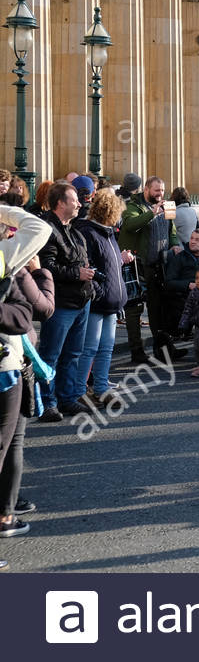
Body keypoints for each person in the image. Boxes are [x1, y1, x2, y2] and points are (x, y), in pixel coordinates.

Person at [0, 204, 54, 541]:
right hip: (7, 364)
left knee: (13, 442)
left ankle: (6, 512)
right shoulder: (10, 260)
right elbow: (38, 310)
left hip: (13, 361)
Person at [36, 182, 96, 421]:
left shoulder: (74, 230)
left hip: (81, 301)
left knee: (73, 353)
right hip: (60, 303)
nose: (80, 203)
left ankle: (67, 398)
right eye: (75, 200)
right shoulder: (47, 229)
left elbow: (82, 261)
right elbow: (46, 267)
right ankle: (47, 403)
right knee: (51, 354)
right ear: (61, 203)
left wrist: (88, 279)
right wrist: (77, 274)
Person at [72, 189, 130, 410]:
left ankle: (101, 388)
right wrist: (99, 291)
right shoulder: (89, 233)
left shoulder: (107, 233)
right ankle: (79, 391)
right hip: (99, 301)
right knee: (90, 348)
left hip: (110, 301)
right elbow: (91, 267)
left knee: (105, 348)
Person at [118, 175, 182, 362]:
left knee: (158, 310)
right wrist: (151, 213)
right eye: (156, 191)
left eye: (162, 191)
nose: (160, 194)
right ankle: (137, 352)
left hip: (158, 265)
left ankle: (164, 351)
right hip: (137, 265)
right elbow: (130, 225)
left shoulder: (167, 205)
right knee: (134, 309)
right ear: (146, 190)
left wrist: (174, 244)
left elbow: (172, 230)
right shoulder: (133, 206)